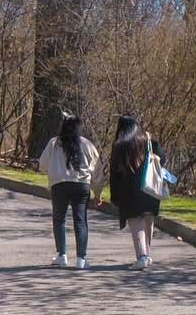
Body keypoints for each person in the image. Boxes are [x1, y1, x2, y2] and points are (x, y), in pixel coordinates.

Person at [38, 112, 102, 268]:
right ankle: (81, 258)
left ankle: (62, 255)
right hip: (81, 186)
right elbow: (97, 171)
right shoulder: (87, 144)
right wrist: (98, 194)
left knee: (59, 219)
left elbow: (42, 165)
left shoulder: (54, 143)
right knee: (80, 221)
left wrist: (53, 170)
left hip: (59, 185)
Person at [110, 115, 165, 270]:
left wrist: (115, 196)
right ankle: (147, 254)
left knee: (136, 223)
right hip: (149, 186)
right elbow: (163, 158)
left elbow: (114, 173)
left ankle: (141, 256)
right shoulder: (148, 140)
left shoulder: (119, 145)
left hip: (130, 190)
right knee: (148, 220)